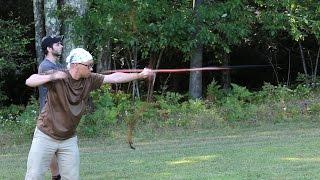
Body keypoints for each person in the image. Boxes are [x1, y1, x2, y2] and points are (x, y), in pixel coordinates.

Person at [25, 48, 154, 180]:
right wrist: (53, 76)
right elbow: (30, 80)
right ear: (75, 65)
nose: (91, 69)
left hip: (68, 138)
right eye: (89, 65)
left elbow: (114, 77)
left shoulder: (90, 79)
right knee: (34, 176)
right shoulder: (58, 76)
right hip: (46, 134)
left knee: (72, 178)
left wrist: (140, 75)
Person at [38, 36, 64, 180]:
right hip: (50, 112)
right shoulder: (46, 66)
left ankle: (57, 176)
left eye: (61, 44)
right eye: (57, 44)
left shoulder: (58, 65)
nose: (61, 46)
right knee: (51, 147)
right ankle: (56, 176)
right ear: (49, 48)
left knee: (56, 146)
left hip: (59, 112)